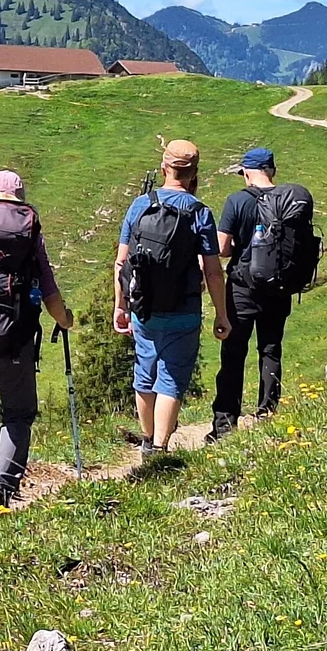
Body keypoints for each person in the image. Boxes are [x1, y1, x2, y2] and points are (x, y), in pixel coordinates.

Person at [0, 170, 74, 526]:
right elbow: (48, 289)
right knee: (18, 414)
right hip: (15, 337)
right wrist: (64, 319)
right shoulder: (30, 232)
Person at [113, 140, 229, 457]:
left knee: (145, 372)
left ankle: (148, 439)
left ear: (164, 168)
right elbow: (213, 271)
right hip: (184, 308)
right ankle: (159, 447)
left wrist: (121, 305)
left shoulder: (140, 205)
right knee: (172, 376)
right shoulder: (199, 212)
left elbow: (121, 263)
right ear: (194, 173)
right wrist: (221, 314)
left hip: (144, 307)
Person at [210, 146, 289, 441]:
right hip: (278, 287)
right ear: (272, 171)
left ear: (246, 172)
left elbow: (222, 248)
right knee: (270, 349)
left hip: (242, 287)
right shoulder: (286, 200)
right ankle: (267, 413)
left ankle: (225, 424)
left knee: (233, 353)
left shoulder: (237, 201)